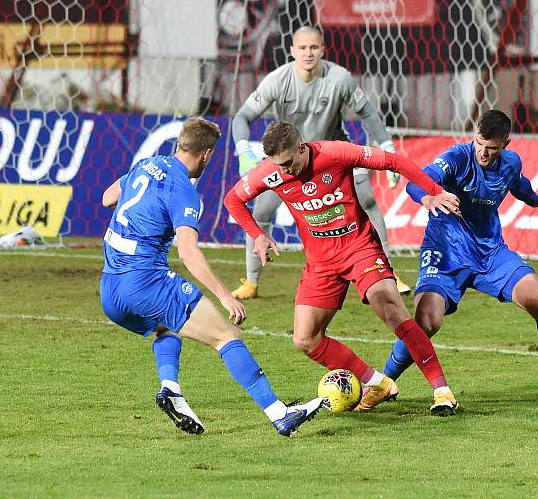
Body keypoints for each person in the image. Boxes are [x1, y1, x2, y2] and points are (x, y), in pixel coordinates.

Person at [99, 117, 324, 437]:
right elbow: (188, 253)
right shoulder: (183, 192)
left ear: (180, 144)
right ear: (206, 155)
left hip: (110, 289)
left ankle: (171, 389)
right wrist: (225, 295)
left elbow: (108, 197)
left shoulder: (146, 164)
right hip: (146, 281)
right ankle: (279, 413)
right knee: (227, 337)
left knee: (166, 326)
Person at [224, 120, 462, 415]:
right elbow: (233, 199)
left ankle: (442, 391)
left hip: (359, 248)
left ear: (301, 148)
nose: (284, 172)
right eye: (277, 166)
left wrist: (434, 191)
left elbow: (393, 161)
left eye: (287, 164)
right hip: (320, 262)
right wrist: (257, 234)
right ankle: (377, 382)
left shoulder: (336, 153)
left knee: (390, 308)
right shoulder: (272, 173)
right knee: (305, 339)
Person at [381, 110, 538, 404]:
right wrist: (429, 197)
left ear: (505, 144)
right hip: (446, 251)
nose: (483, 152)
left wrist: (536, 200)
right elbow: (417, 180)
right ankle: (384, 381)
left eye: (491, 148)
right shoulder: (456, 158)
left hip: (491, 253)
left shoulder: (510, 162)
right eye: (479, 143)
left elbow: (517, 183)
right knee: (426, 322)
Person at [231, 25, 411, 299]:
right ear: (292, 51)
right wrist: (243, 151)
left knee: (368, 203)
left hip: (334, 160)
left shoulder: (340, 78)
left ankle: (388, 271)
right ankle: (252, 282)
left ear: (323, 49)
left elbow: (368, 113)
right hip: (290, 163)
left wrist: (386, 144)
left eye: (314, 47)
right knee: (261, 212)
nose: (308, 53)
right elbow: (242, 117)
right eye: (302, 48)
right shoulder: (277, 80)